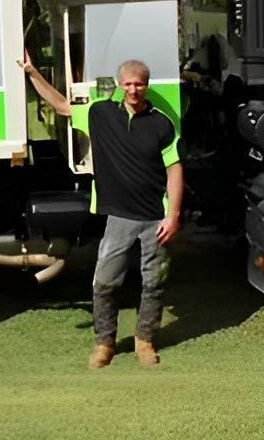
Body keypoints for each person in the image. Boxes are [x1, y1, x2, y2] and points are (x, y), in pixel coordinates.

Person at [21, 53, 183, 367]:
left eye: (140, 84)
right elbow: (61, 106)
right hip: (118, 216)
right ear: (121, 85)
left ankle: (145, 341)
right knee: (105, 282)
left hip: (155, 217)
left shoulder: (162, 123)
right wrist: (32, 72)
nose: (134, 90)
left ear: (146, 86)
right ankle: (104, 344)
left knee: (154, 283)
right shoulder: (100, 113)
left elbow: (174, 169)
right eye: (129, 84)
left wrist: (173, 214)